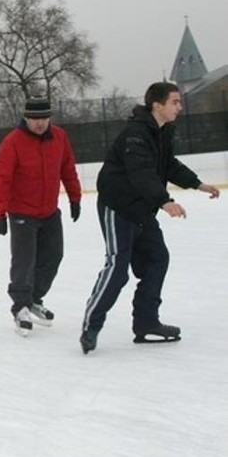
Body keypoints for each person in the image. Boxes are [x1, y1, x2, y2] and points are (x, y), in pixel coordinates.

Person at [79, 82, 220, 354]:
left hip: (143, 208)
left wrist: (197, 184)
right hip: (118, 207)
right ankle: (91, 325)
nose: (180, 107)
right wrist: (164, 201)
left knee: (157, 259)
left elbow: (168, 166)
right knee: (118, 268)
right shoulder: (137, 133)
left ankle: (146, 323)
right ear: (158, 105)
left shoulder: (163, 131)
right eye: (175, 102)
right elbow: (140, 171)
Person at [0, 98, 82, 336]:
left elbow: (67, 168)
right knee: (24, 261)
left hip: (50, 211)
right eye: (34, 119)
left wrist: (75, 198)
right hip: (22, 213)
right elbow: (0, 178)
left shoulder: (59, 137)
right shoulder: (13, 142)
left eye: (44, 119)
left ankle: (34, 299)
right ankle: (20, 306)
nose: (40, 124)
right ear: (26, 118)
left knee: (53, 256)